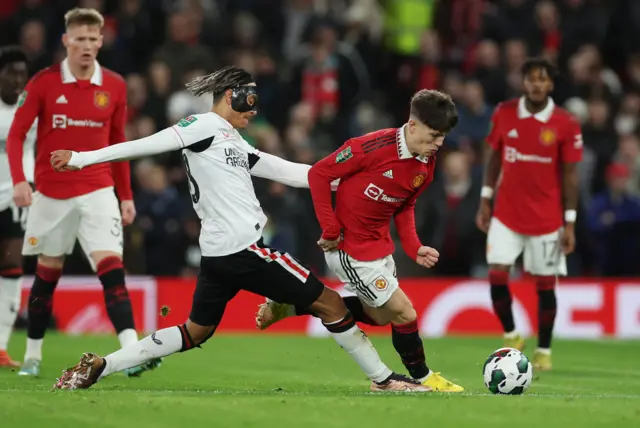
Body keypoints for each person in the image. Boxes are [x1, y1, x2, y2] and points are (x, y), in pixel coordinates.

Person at [50, 66, 429, 392]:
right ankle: (384, 380)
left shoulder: (230, 139)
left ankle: (102, 365)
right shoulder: (201, 126)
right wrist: (83, 158)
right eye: (250, 100)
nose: (255, 110)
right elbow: (147, 144)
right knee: (329, 303)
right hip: (244, 249)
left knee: (195, 331)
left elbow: (294, 172)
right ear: (232, 96)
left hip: (218, 253)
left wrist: (347, 180)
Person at [256, 89, 464, 392]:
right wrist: (330, 229)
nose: (439, 144)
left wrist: (414, 246)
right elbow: (319, 175)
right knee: (405, 312)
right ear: (413, 125)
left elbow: (405, 205)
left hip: (379, 246)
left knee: (381, 317)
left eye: (443, 137)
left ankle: (291, 305)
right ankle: (422, 378)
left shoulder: (425, 164)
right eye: (434, 136)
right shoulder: (370, 146)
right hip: (350, 249)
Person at [6, 8, 156, 377]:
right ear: (66, 41)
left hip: (98, 189)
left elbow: (118, 143)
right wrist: (20, 181)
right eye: (80, 39)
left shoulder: (115, 86)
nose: (87, 46)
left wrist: (127, 196)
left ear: (101, 41)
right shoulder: (43, 83)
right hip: (52, 194)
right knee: (47, 275)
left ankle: (131, 353)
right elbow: (15, 135)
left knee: (112, 269)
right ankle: (33, 356)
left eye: (93, 39)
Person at [475, 58, 583, 371]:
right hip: (506, 213)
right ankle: (512, 335)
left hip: (547, 220)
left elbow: (570, 175)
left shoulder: (565, 122)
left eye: (543, 79)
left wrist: (570, 222)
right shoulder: (504, 113)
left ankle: (544, 350)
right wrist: (485, 199)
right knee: (497, 271)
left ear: (551, 84)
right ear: (523, 82)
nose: (536, 84)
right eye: (531, 78)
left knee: (545, 283)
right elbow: (494, 158)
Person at [0, 46, 34, 368]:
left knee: (12, 267)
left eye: (22, 74)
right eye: (11, 73)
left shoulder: (29, 111)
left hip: (15, 198)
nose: (17, 80)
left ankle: (0, 347)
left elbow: (35, 150)